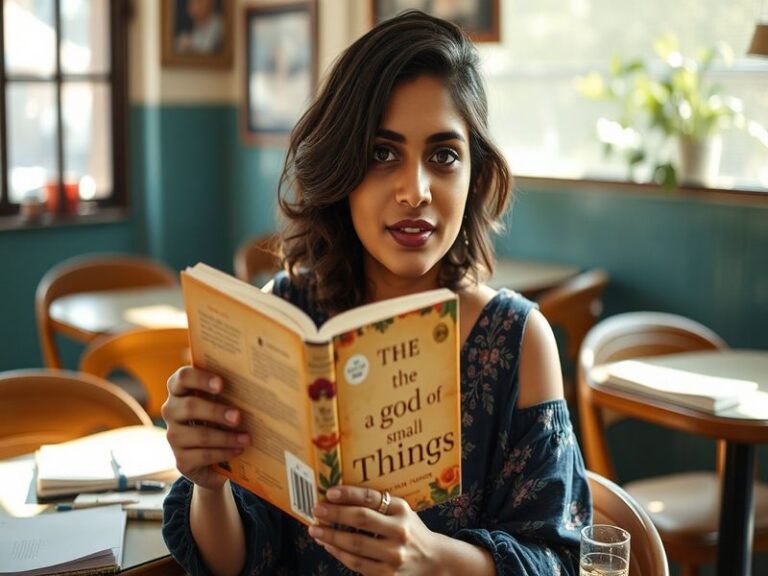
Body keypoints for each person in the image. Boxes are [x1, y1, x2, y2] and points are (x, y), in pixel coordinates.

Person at [162, 10, 592, 576]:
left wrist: (432, 557)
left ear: (475, 173)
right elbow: (240, 560)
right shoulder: (284, 315)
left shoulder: (517, 341)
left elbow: (560, 561)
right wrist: (209, 484)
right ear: (342, 168)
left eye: (443, 155)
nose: (414, 191)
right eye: (382, 153)